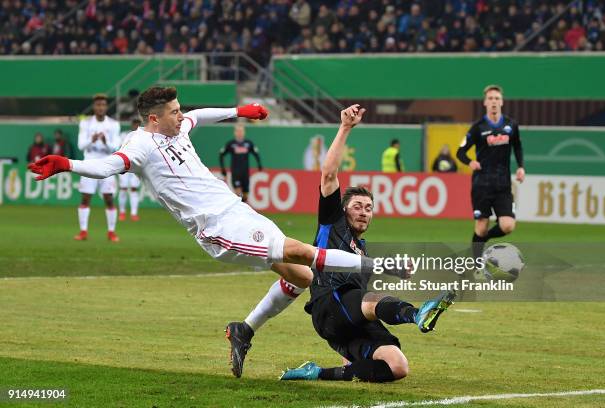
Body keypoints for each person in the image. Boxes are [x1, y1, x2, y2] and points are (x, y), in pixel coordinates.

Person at [29, 88, 388, 358]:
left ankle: (243, 330)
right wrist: (66, 163)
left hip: (237, 209)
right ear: (155, 119)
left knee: (302, 277)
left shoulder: (177, 126)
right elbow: (107, 166)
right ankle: (375, 263)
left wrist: (240, 111)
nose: (180, 115)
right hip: (218, 229)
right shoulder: (140, 145)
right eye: (173, 111)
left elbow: (199, 115)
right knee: (302, 252)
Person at [227, 105, 455, 381]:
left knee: (397, 366)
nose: (363, 211)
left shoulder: (363, 251)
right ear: (344, 209)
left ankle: (316, 373)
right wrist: (345, 127)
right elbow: (329, 175)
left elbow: (363, 304)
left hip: (347, 321)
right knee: (369, 299)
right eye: (357, 205)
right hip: (328, 306)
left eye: (369, 208)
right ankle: (417, 314)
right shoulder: (333, 223)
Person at [456, 85, 525, 260]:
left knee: (508, 225)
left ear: (501, 102)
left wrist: (521, 166)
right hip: (482, 185)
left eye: (497, 98)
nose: (494, 101)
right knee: (481, 225)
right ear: (485, 102)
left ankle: (481, 240)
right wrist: (470, 162)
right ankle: (475, 263)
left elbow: (517, 146)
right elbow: (460, 152)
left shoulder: (511, 125)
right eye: (491, 98)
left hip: (503, 185)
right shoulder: (477, 128)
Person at [74, 93, 121, 242]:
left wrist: (106, 142)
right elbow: (81, 145)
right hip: (89, 162)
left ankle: (111, 232)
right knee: (85, 198)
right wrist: (91, 140)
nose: (100, 107)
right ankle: (83, 231)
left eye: (103, 105)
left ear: (106, 107)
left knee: (108, 198)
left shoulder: (113, 124)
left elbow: (116, 147)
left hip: (107, 163)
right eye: (98, 105)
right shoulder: (86, 123)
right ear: (94, 107)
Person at [219, 124, 262, 202]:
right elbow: (221, 154)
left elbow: (256, 154)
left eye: (241, 131)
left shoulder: (248, 143)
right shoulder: (231, 144)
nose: (239, 133)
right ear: (235, 133)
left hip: (245, 173)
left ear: (244, 132)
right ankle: (239, 209)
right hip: (235, 172)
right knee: (239, 195)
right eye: (238, 131)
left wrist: (259, 165)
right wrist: (223, 169)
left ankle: (242, 207)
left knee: (245, 196)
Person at [118, 118, 143, 221]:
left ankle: (134, 213)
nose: (136, 126)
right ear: (132, 125)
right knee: (123, 188)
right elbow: (118, 147)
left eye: (138, 125)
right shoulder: (124, 135)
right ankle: (122, 212)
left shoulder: (143, 137)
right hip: (124, 164)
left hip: (136, 165)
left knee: (133, 189)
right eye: (134, 124)